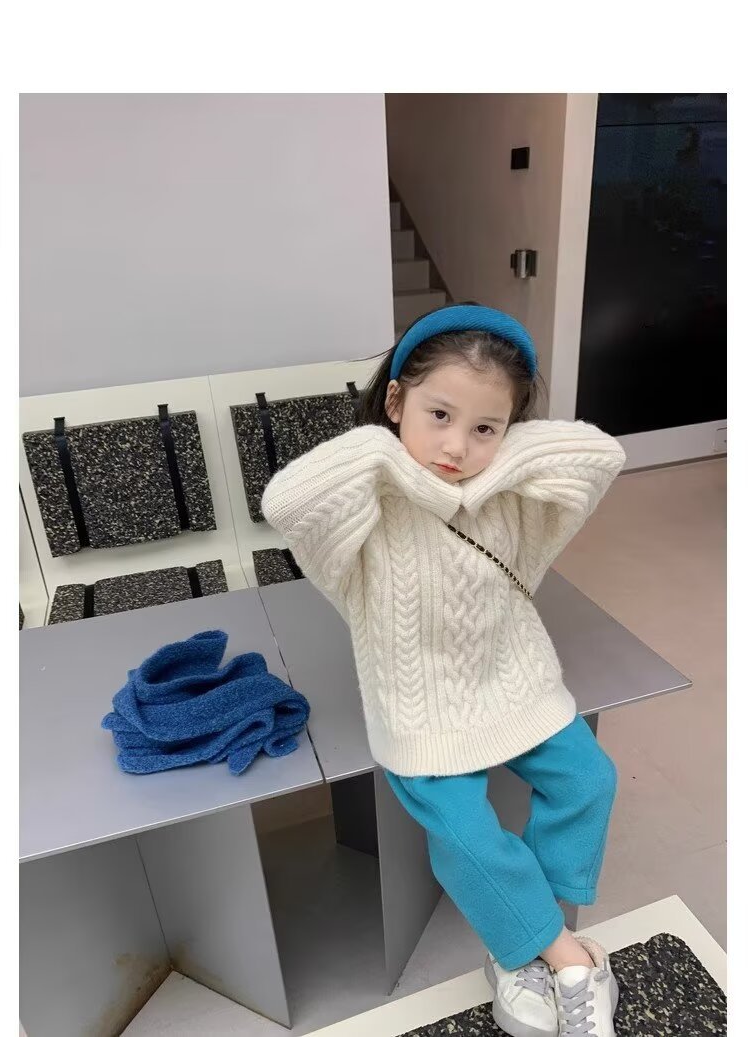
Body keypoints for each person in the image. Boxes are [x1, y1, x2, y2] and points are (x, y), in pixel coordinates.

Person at [261, 303, 627, 1037]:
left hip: (513, 680)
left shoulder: (510, 498)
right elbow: (286, 501)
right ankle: (565, 956)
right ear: (396, 400)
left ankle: (526, 940)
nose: (457, 446)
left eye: (486, 427)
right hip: (419, 705)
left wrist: (494, 461)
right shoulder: (363, 506)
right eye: (439, 415)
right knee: (465, 838)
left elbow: (600, 456)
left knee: (590, 779)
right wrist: (391, 452)